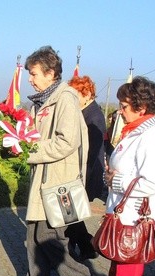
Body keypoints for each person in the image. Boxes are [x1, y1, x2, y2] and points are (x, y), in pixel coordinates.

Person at [13, 46, 91, 276]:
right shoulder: (44, 101)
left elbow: (67, 141)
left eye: (33, 73)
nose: (30, 79)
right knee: (33, 236)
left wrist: (28, 149)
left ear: (50, 72)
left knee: (48, 236)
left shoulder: (65, 99)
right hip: (44, 181)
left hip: (58, 183)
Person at [100, 76, 155, 276]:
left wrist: (116, 180)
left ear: (141, 108)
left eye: (125, 106)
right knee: (120, 264)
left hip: (136, 216)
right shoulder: (135, 131)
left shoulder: (151, 138)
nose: (121, 110)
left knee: (128, 270)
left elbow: (154, 182)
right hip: (125, 211)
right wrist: (110, 178)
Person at [66, 75, 106, 260]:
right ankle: (82, 245)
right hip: (79, 172)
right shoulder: (82, 111)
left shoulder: (94, 116)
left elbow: (92, 151)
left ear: (87, 93)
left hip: (87, 173)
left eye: (76, 94)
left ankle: (86, 245)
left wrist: (82, 179)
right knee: (71, 215)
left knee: (70, 214)